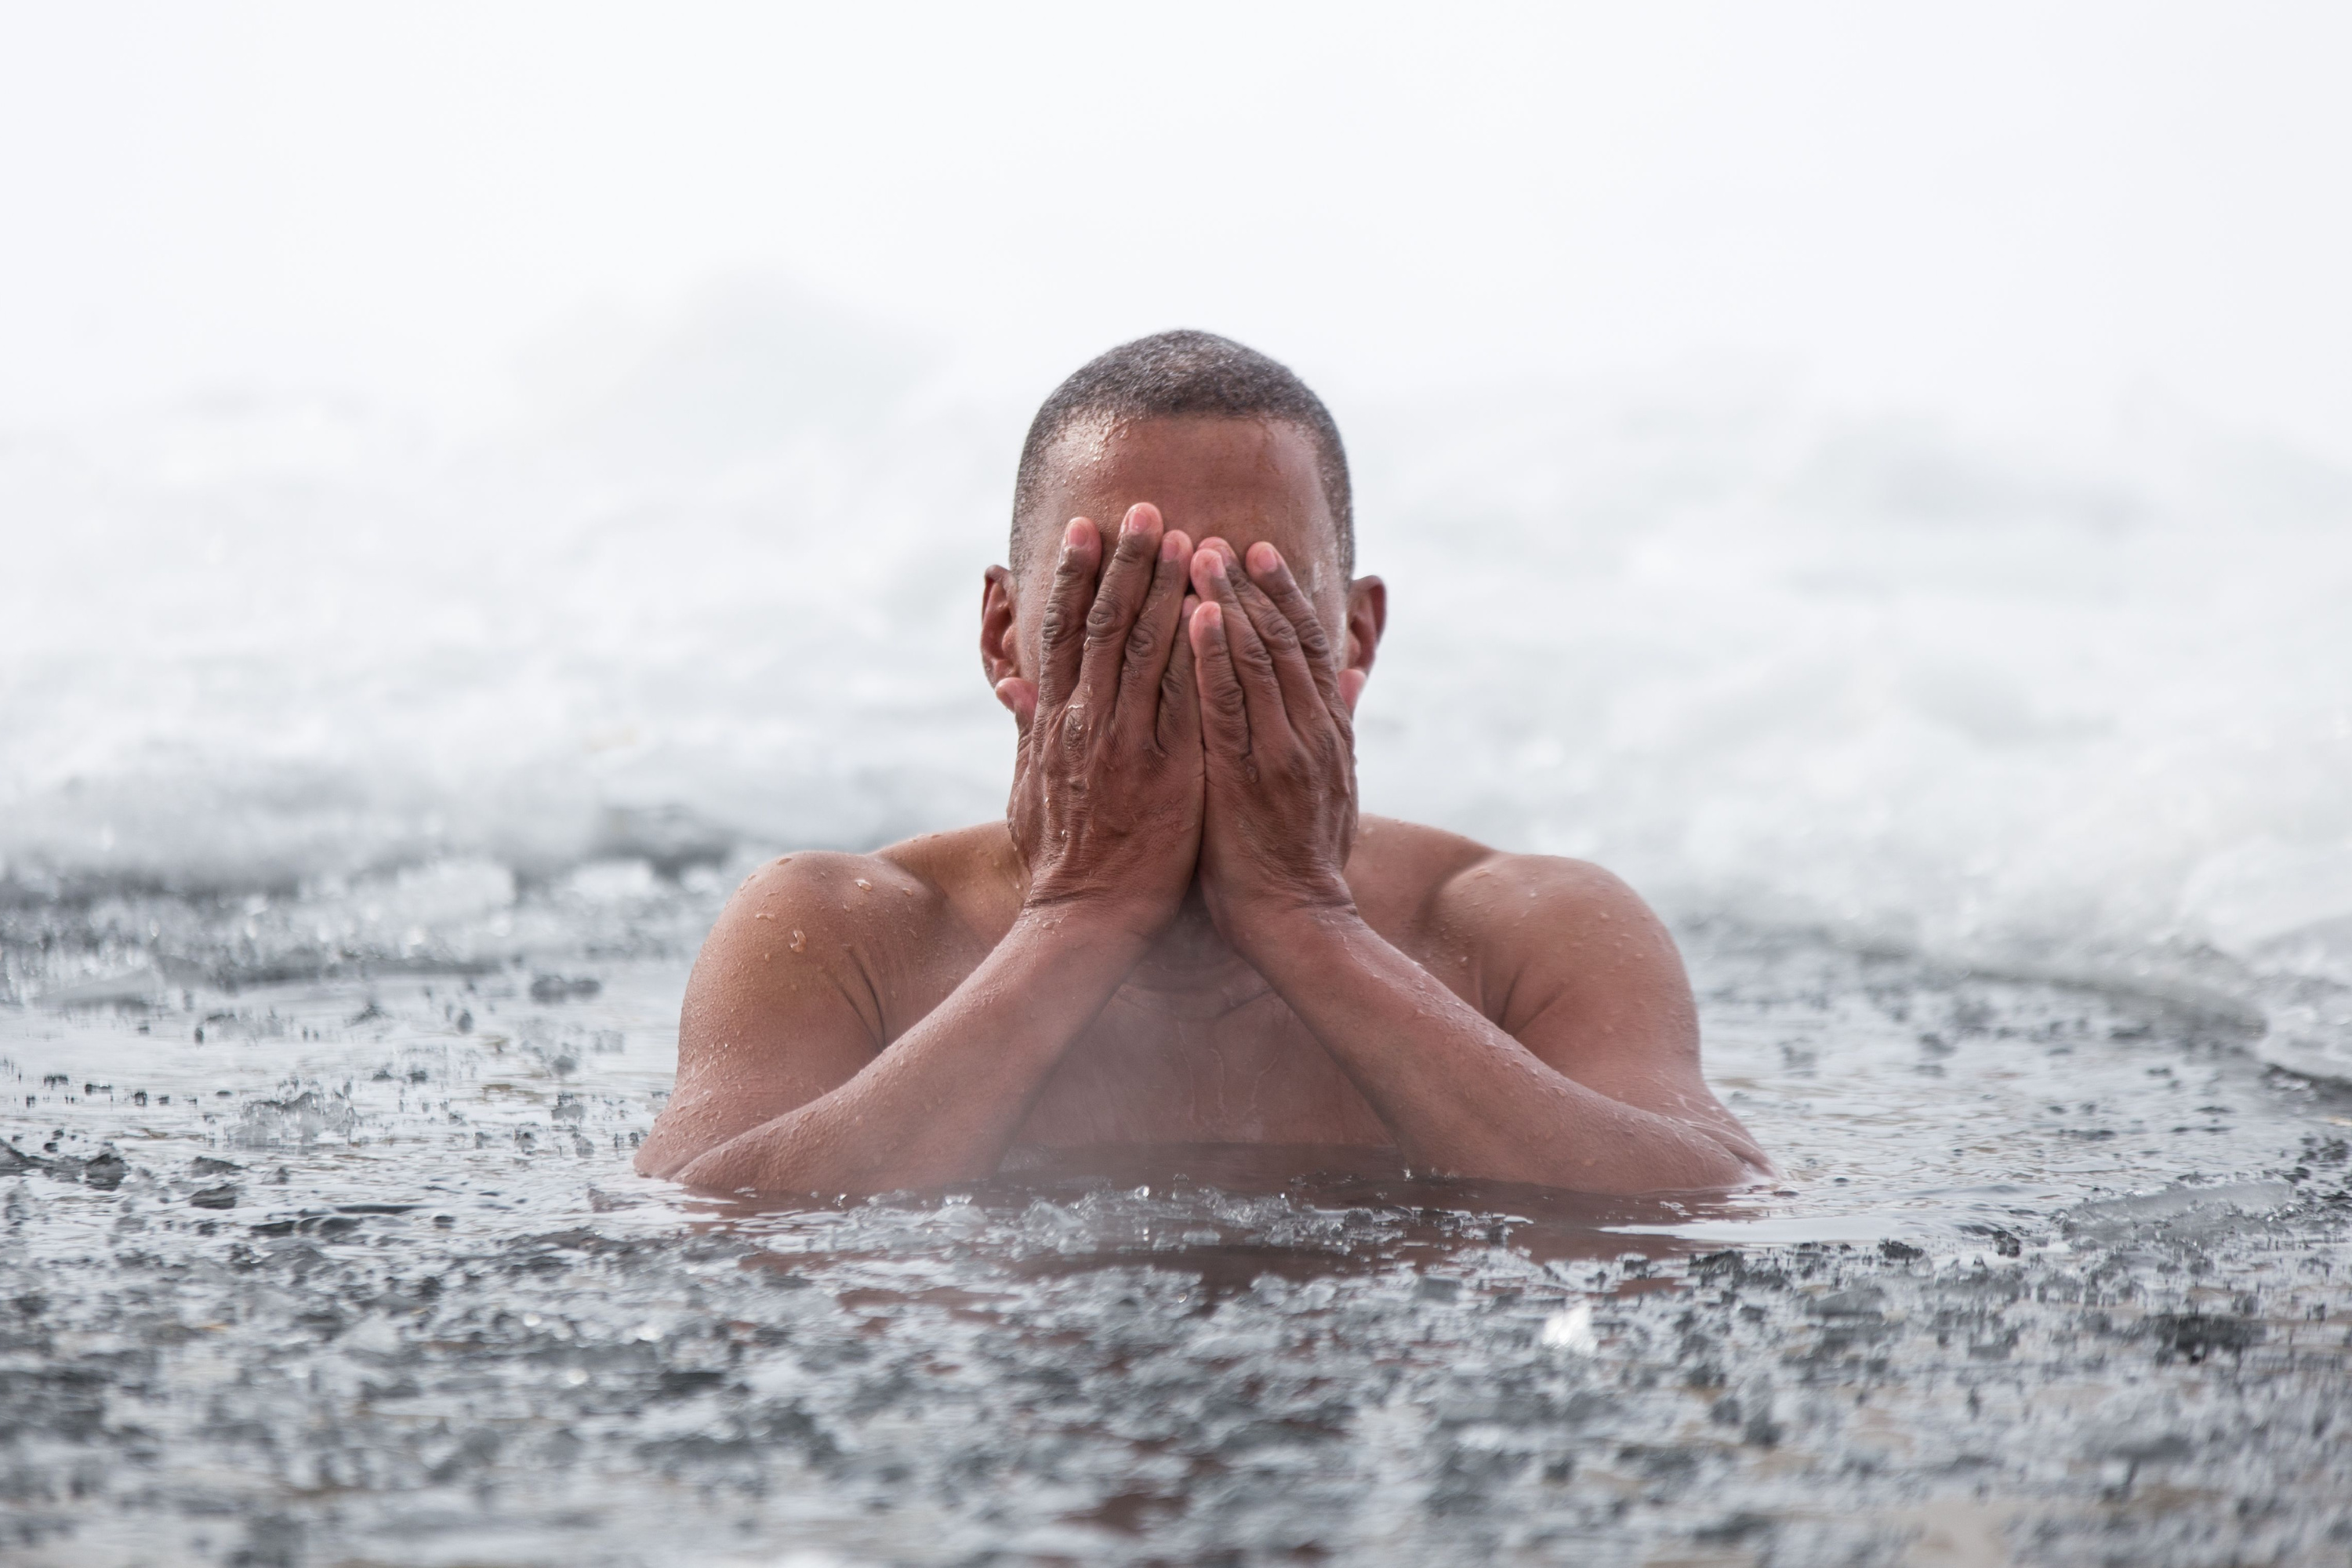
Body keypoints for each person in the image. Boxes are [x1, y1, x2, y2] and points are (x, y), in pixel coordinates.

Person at [637, 331, 1768, 1197]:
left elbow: (1712, 1208)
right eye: (1120, 596)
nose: (1186, 642)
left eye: (1252, 595)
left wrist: (1307, 921)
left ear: (1355, 639)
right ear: (1001, 631)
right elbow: (700, 1232)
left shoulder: (1526, 928)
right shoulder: (842, 930)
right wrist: (1078, 914)